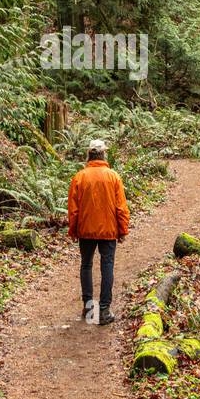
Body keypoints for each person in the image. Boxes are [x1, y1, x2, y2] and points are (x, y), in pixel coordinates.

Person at [67, 139, 130, 324]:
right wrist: (123, 230)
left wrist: (73, 230)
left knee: (86, 265)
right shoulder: (113, 176)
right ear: (104, 154)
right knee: (107, 265)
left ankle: (89, 310)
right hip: (109, 230)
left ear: (89, 155)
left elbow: (73, 209)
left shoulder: (79, 177)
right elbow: (121, 207)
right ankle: (104, 311)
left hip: (85, 230)